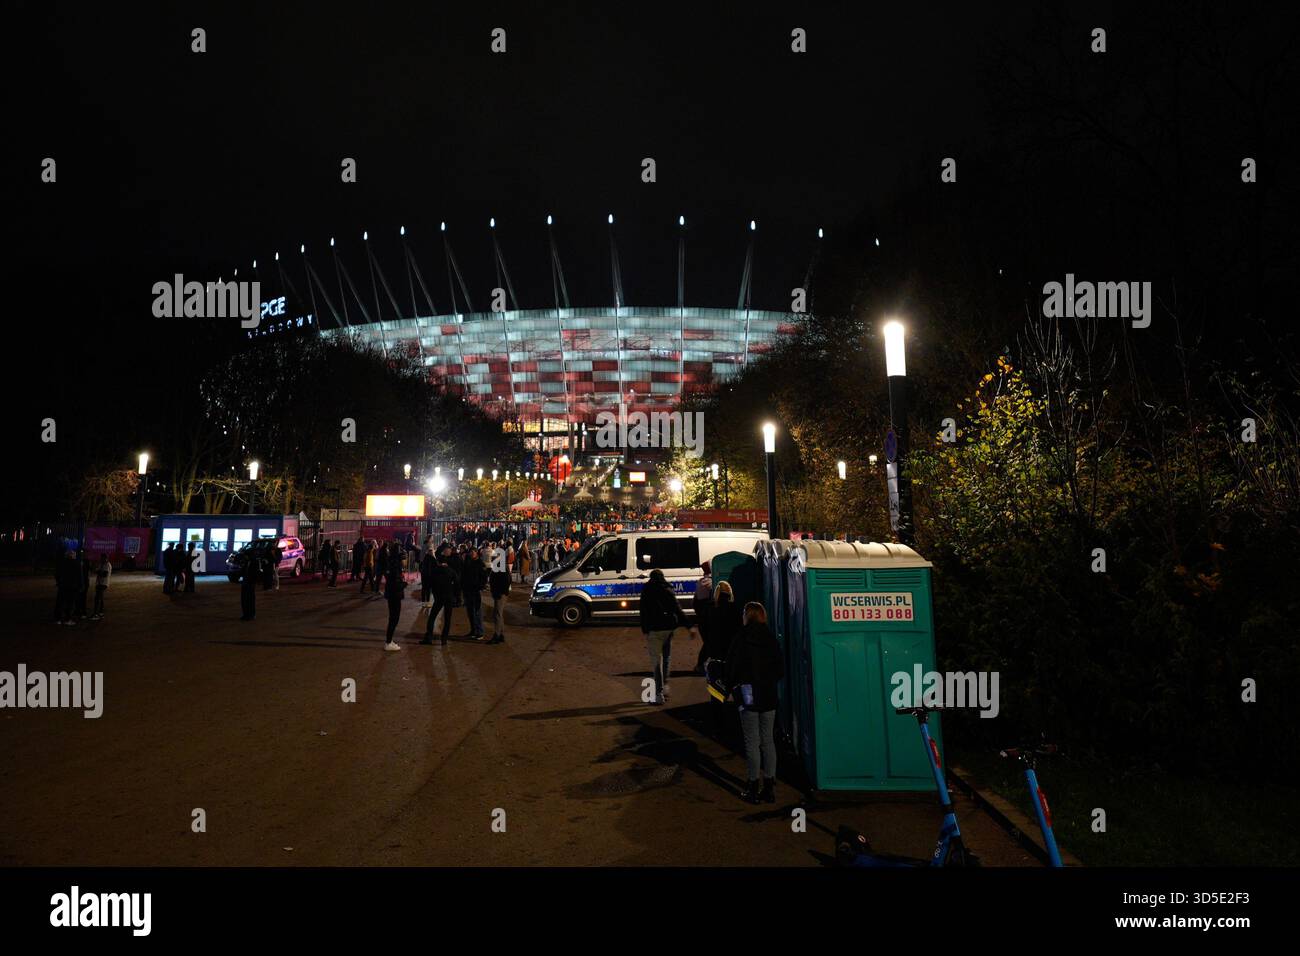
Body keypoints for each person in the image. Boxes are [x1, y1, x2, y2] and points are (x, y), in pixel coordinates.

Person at [725, 602, 785, 804]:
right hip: (768, 695)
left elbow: (731, 667)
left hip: (748, 695)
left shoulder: (740, 637)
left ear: (746, 616)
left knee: (752, 742)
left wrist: (729, 688)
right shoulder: (770, 638)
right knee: (768, 740)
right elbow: (780, 670)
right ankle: (769, 787)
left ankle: (752, 786)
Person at [638, 568, 689, 705]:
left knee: (656, 661)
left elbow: (643, 610)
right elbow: (677, 608)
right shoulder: (667, 588)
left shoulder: (647, 590)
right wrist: (688, 626)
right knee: (666, 657)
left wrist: (644, 628)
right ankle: (665, 685)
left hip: (654, 630)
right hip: (668, 628)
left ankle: (658, 693)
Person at [422, 550, 459, 646]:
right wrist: (456, 596)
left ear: (438, 562)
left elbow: (429, 584)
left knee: (432, 617)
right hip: (449, 597)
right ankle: (444, 639)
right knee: (447, 619)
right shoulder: (451, 571)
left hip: (439, 597)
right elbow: (457, 584)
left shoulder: (435, 571)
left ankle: (429, 637)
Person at [461, 546, 487, 640]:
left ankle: (480, 632)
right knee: (470, 612)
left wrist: (480, 586)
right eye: (471, 552)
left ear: (476, 553)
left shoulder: (480, 563)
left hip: (475, 590)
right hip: (468, 590)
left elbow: (484, 577)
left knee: (477, 611)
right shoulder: (468, 562)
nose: (472, 553)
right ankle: (473, 630)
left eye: (473, 552)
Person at [486, 542, 510, 644]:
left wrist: (500, 592)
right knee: (498, 614)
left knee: (497, 614)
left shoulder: (501, 567)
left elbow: (505, 581)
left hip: (500, 593)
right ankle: (501, 634)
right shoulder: (500, 566)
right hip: (499, 592)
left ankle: (497, 634)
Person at [693, 560, 714, 672]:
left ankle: (702, 665)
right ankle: (700, 665)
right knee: (709, 642)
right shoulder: (709, 582)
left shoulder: (700, 581)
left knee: (708, 642)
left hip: (702, 618)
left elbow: (695, 602)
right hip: (707, 618)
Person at [382, 549, 405, 651]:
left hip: (392, 595)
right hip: (395, 596)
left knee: (393, 619)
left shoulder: (391, 566)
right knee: (394, 619)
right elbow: (396, 585)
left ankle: (389, 640)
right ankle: (388, 642)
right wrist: (404, 584)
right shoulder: (395, 569)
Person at [55, 549, 79, 625]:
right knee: (70, 603)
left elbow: (56, 574)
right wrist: (80, 585)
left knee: (60, 602)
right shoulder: (76, 564)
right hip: (72, 586)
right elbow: (78, 576)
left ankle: (58, 619)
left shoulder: (62, 563)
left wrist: (59, 582)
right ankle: (68, 619)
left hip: (62, 585)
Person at [91, 553, 112, 619]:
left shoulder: (107, 564)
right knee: (100, 598)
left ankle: (96, 614)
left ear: (105, 558)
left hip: (103, 583)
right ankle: (100, 612)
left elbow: (104, 574)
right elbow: (98, 571)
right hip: (100, 583)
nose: (101, 559)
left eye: (102, 558)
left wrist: (98, 571)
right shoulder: (102, 564)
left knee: (97, 598)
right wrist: (98, 571)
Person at [240, 555, 259, 621]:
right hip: (245, 582)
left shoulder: (254, 562)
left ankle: (251, 615)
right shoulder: (246, 562)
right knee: (244, 599)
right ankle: (246, 614)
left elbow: (255, 573)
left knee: (250, 599)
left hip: (250, 583)